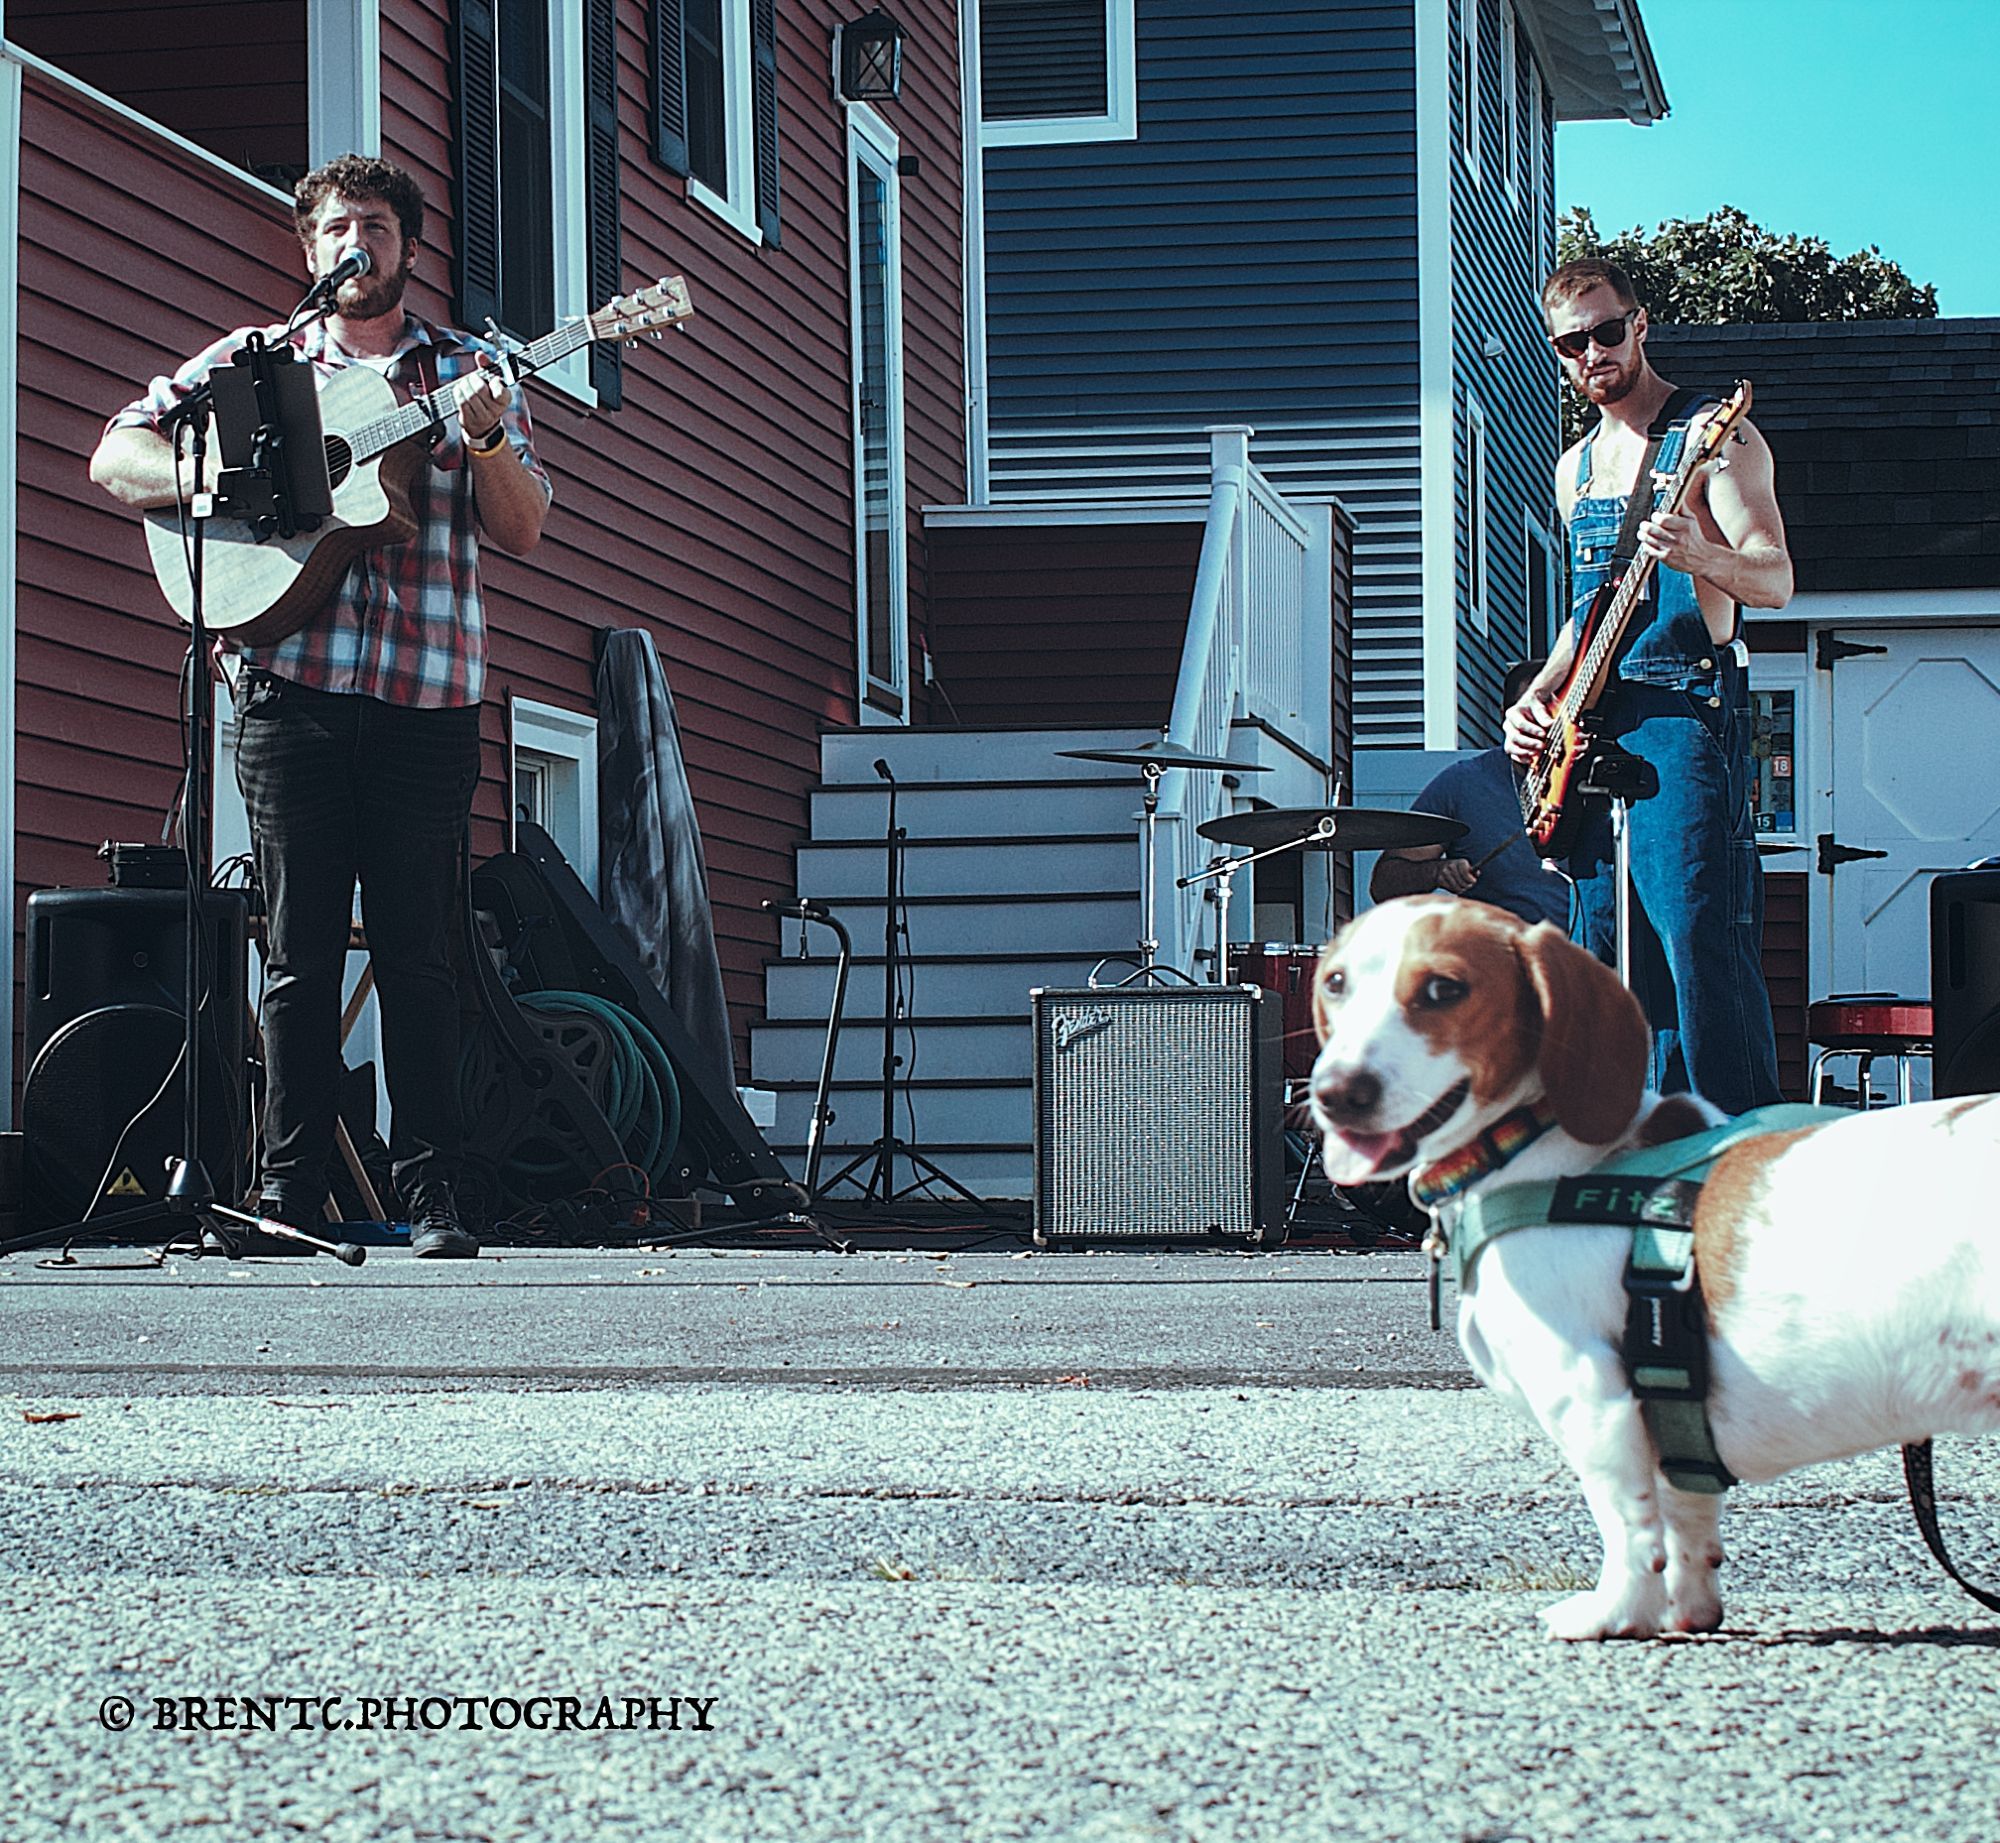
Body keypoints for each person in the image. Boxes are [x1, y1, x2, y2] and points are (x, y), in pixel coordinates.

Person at [89, 154, 553, 1257]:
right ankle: (288, 1194)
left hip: (427, 700)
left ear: (408, 246)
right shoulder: (259, 366)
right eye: (340, 226)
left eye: (380, 226)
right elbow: (117, 454)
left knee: (421, 954)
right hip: (289, 691)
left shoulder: (468, 365)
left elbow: (524, 526)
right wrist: (244, 481)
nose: (360, 242)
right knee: (296, 955)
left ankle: (437, 1192)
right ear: (309, 250)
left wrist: (483, 433)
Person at [1503, 257, 1786, 1115]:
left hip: (1683, 706)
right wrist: (1539, 696)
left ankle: (1742, 1154)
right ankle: (1650, 1153)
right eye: (1569, 343)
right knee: (1606, 950)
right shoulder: (1574, 469)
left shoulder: (1713, 435)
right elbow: (1588, 611)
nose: (1591, 353)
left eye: (1605, 330)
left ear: (1641, 324)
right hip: (1591, 727)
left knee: (1699, 931)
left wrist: (1698, 552)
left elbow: (1773, 578)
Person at [1370, 658, 1570, 928]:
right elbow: (1385, 883)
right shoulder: (1463, 784)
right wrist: (1438, 872)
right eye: (1533, 714)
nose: (1546, 724)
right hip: (1503, 957)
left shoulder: (1599, 779)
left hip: (1599, 958)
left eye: (1557, 712)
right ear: (1508, 716)